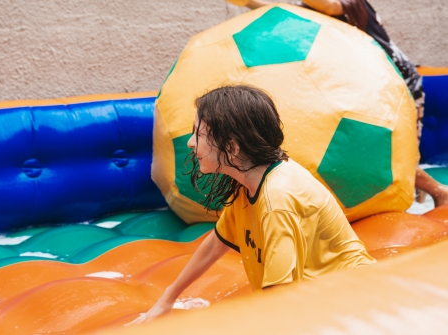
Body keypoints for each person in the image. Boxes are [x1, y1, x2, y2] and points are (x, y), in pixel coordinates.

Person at [127, 85, 375, 325]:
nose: (191, 143)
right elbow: (215, 244)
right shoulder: (250, 183)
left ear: (232, 148)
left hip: (355, 309)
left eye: (198, 134)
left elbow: (279, 301)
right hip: (327, 306)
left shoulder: (277, 200)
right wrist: (167, 299)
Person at [225, 0, 448, 207]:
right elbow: (281, 8)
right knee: (383, 146)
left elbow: (331, 6)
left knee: (394, 146)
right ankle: (423, 196)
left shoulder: (353, 3)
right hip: (364, 82)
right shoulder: (310, 8)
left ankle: (436, 192)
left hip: (396, 80)